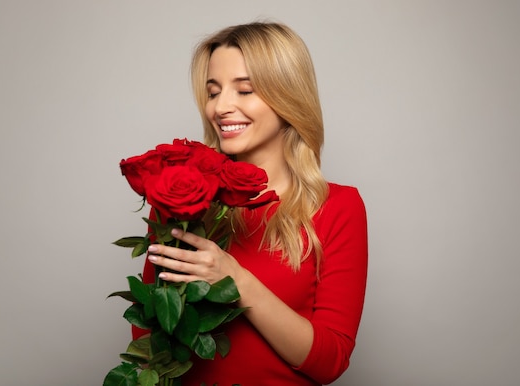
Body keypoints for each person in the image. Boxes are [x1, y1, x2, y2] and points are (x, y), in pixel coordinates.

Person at [133, 21, 368, 386]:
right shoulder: (180, 200)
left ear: (287, 95)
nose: (221, 107)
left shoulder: (339, 206)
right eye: (214, 92)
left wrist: (236, 279)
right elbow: (148, 339)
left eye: (245, 90)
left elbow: (331, 361)